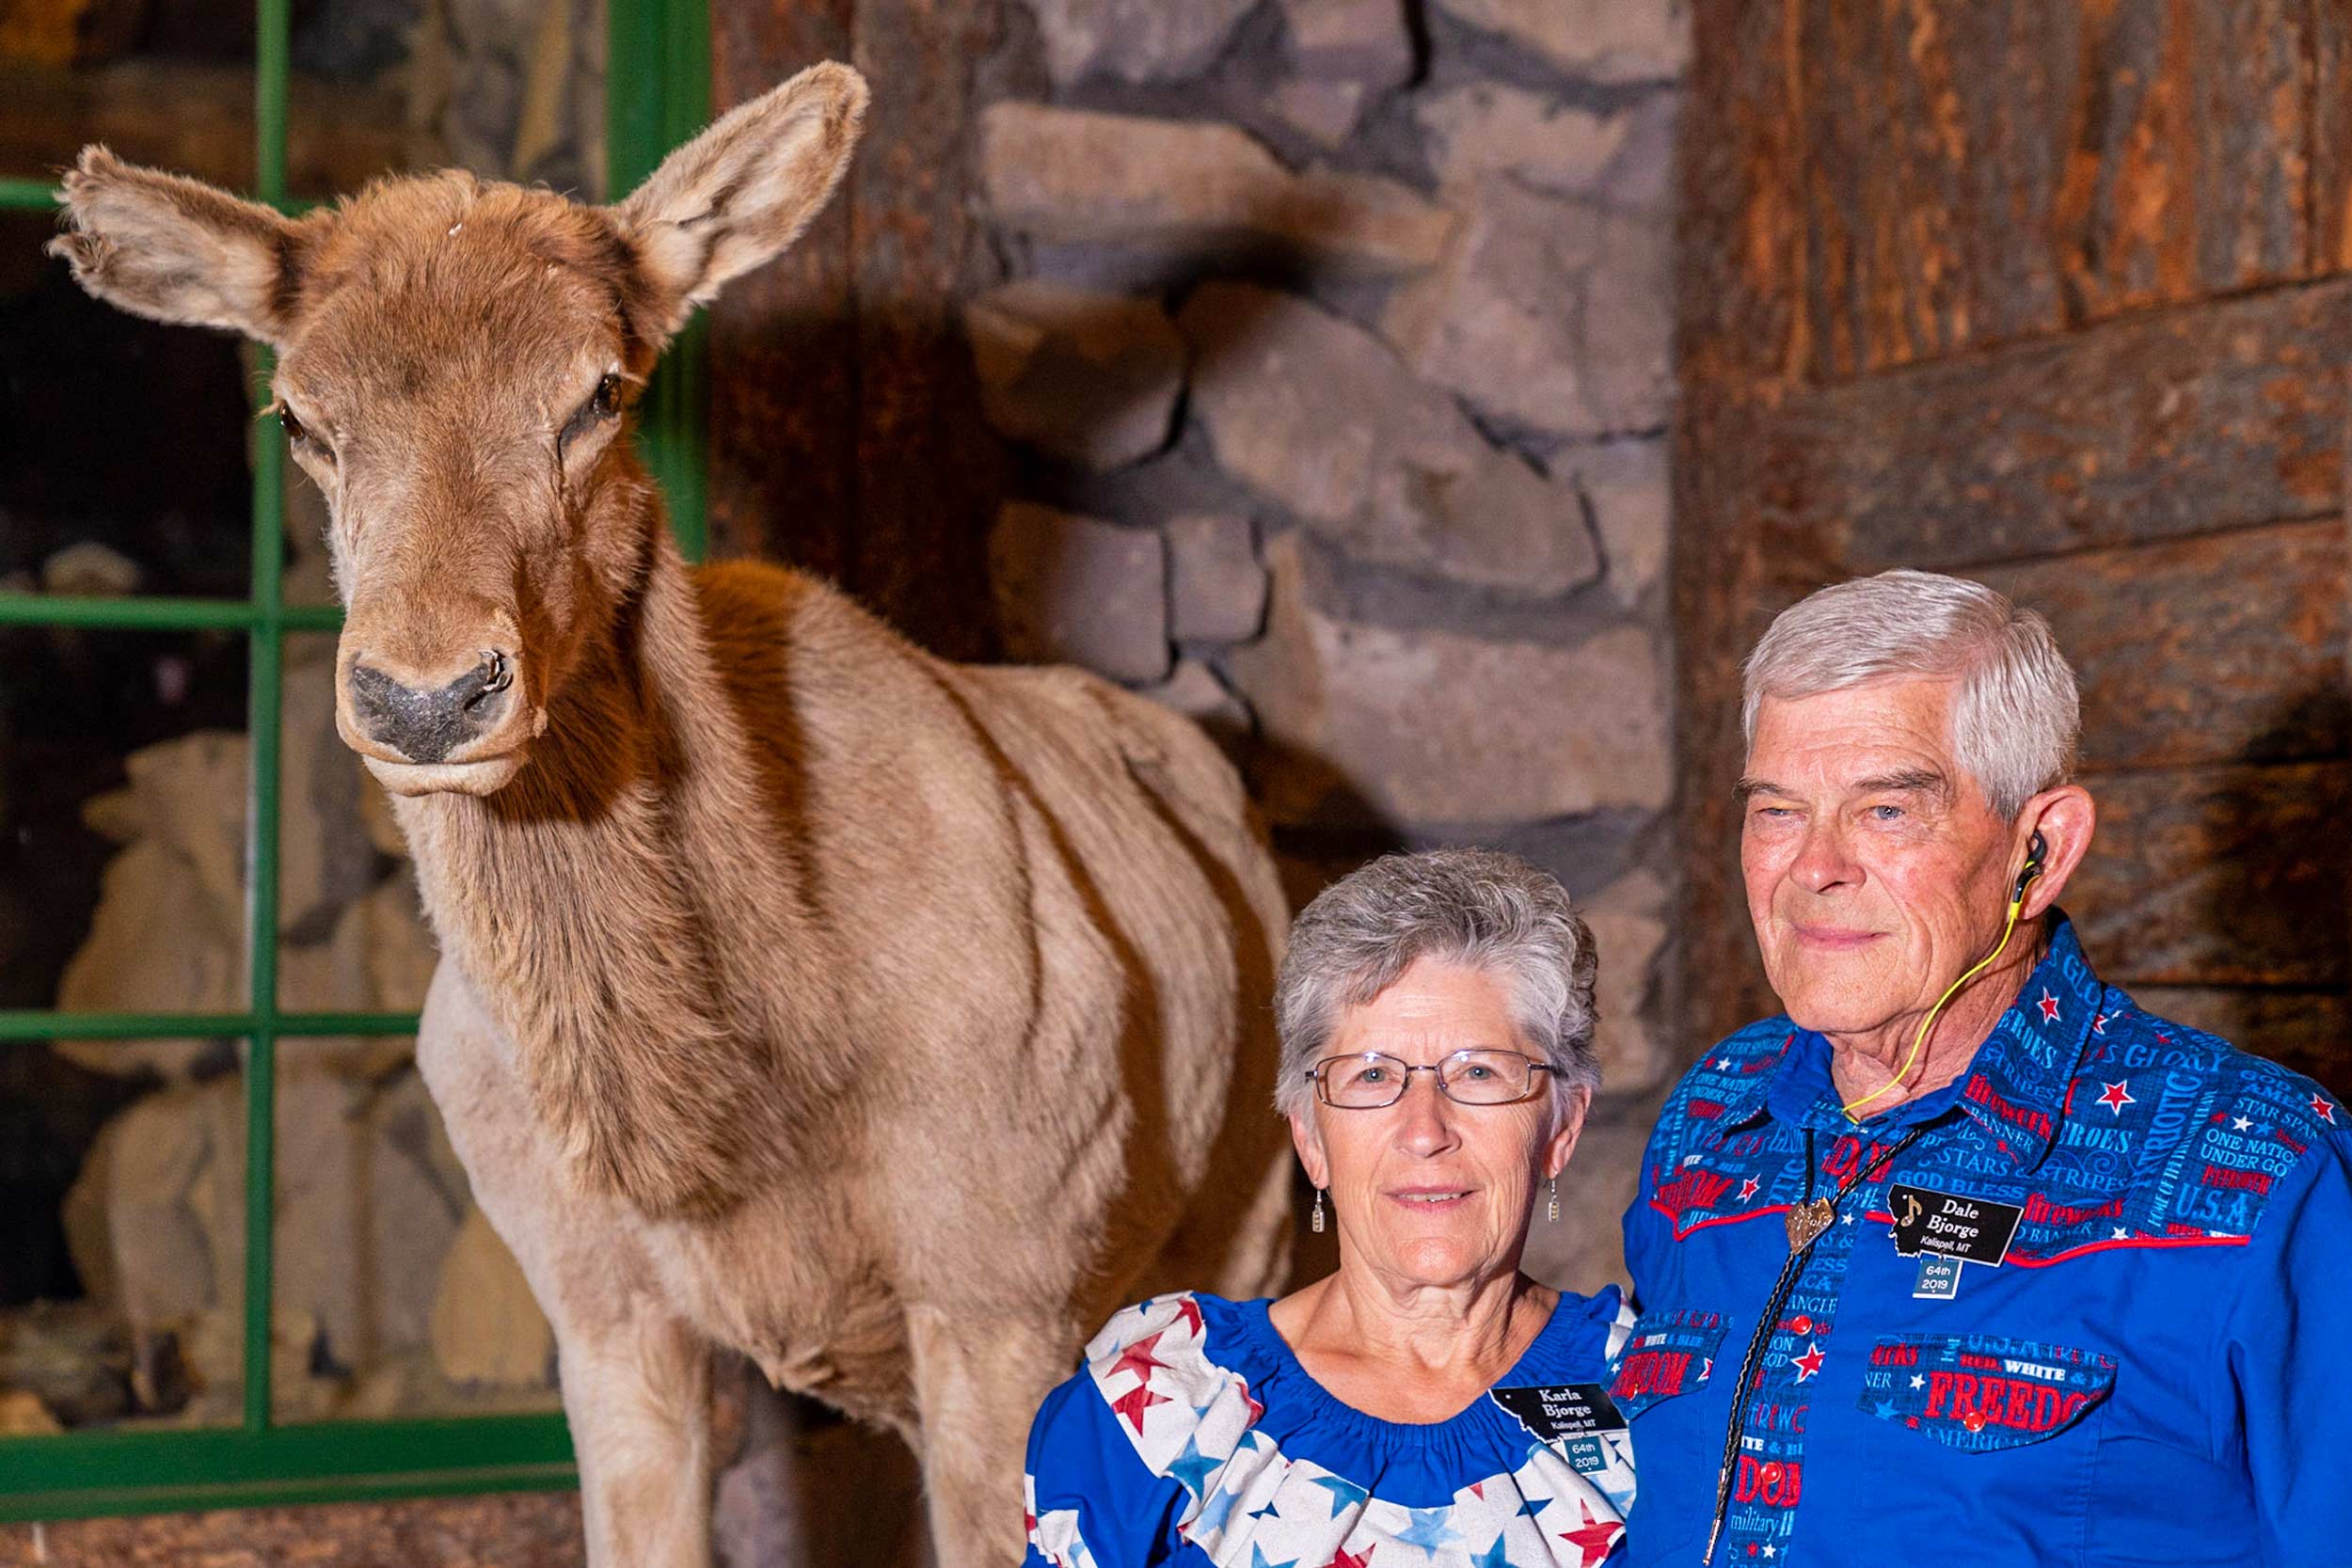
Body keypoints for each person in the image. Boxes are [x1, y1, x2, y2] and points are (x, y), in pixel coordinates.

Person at [1617, 569, 2352, 1567]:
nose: (1814, 866)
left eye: (1884, 811)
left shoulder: (2268, 1169)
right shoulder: (1713, 1114)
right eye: (1777, 810)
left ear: (2038, 850)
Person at [1023, 849, 1638, 1566]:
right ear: (1310, 1136)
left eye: (1478, 1071)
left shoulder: (1657, 1400)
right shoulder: (1159, 1405)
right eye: (1373, 1074)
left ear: (1560, 1129)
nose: (1425, 1130)